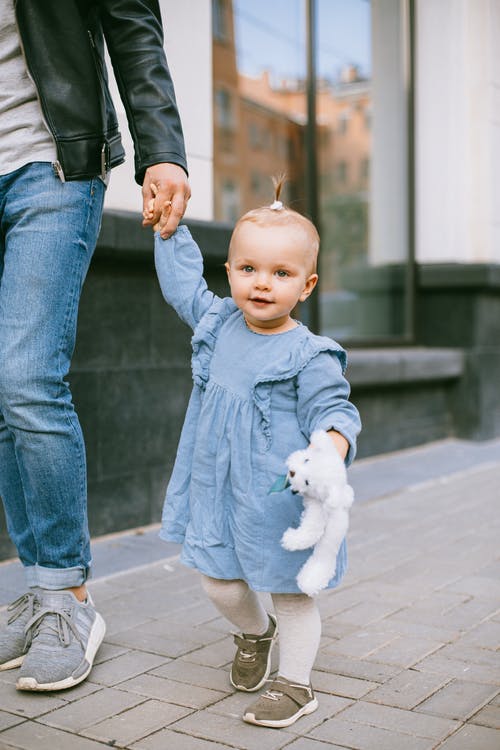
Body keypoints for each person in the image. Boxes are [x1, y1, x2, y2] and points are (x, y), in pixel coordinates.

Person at [0, 0, 190, 692]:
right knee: (2, 394)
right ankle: (36, 591)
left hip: (48, 160)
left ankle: (68, 601)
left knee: (27, 380)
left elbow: (132, 24)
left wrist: (161, 147)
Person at [151, 177, 361, 728]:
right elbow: (182, 288)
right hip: (216, 484)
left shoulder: (309, 354)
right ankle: (253, 633)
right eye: (248, 269)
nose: (262, 284)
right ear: (230, 272)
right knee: (217, 579)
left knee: (287, 590)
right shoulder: (218, 324)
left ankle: (295, 685)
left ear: (307, 285)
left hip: (274, 496)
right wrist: (170, 233)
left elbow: (336, 411)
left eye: (281, 274)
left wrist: (330, 447)